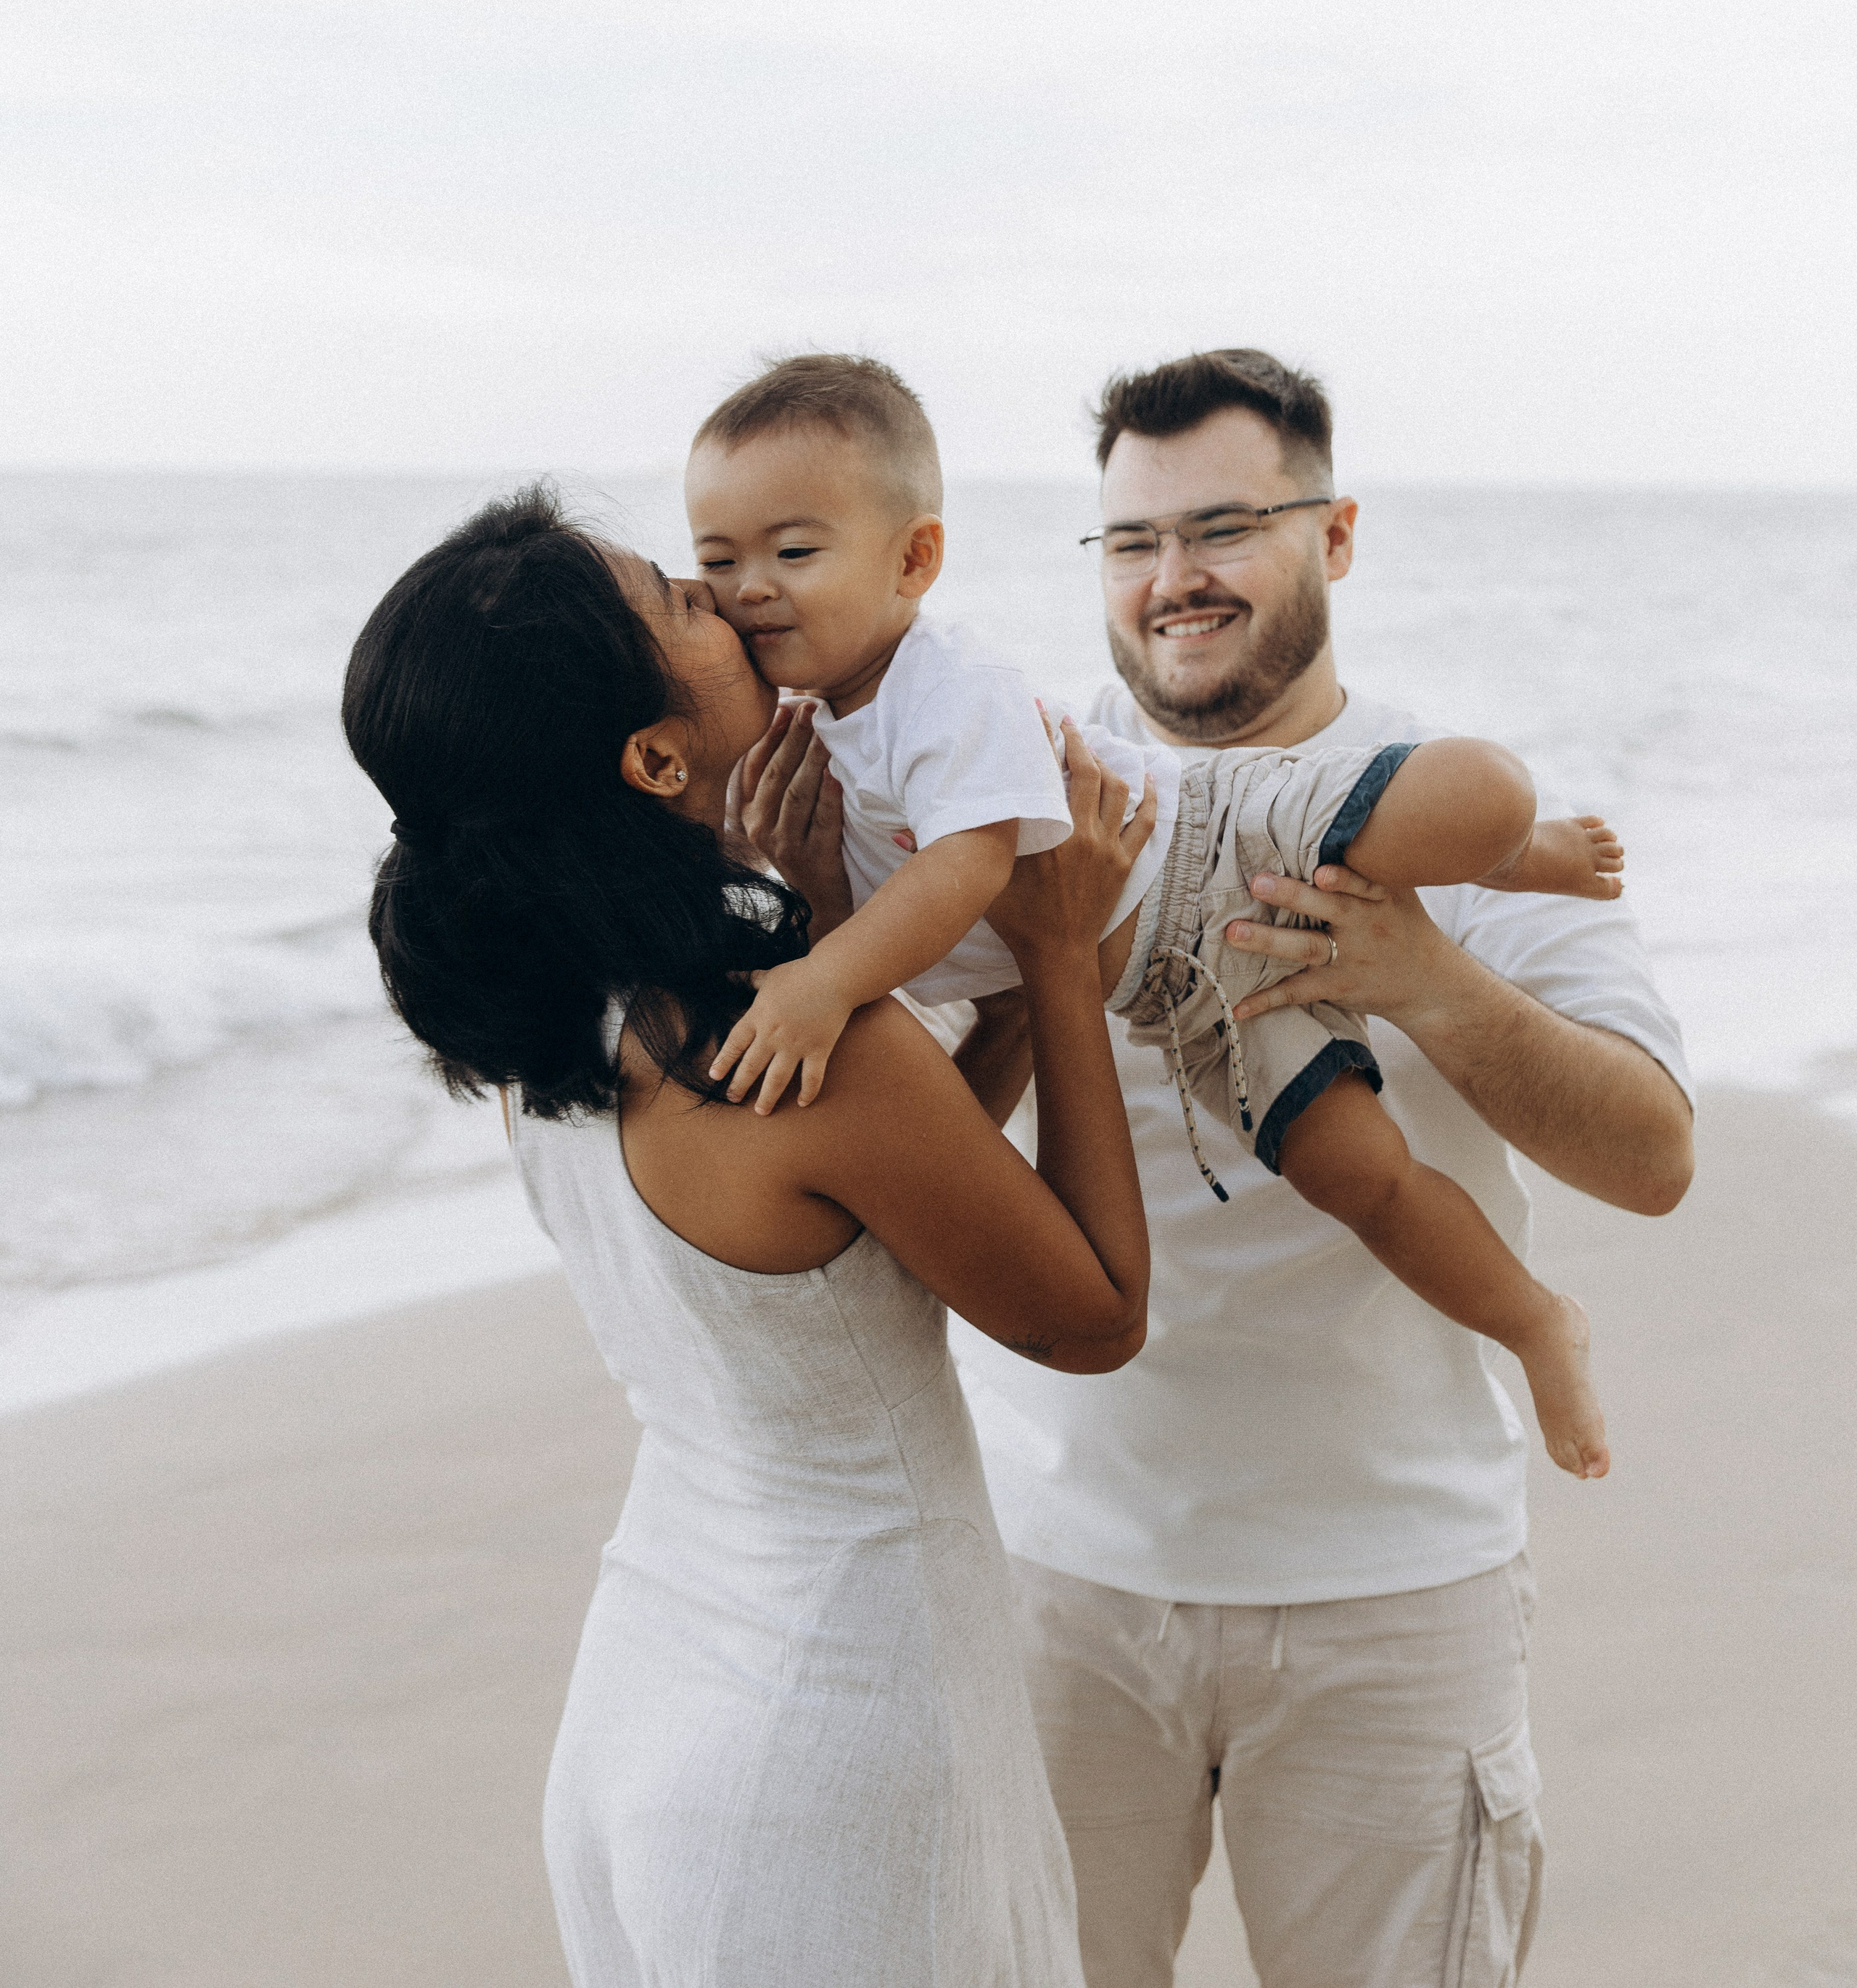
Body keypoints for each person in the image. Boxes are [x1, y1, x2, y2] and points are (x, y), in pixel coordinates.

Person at [739, 350, 1696, 1988]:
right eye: (1130, 543)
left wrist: (1422, 976)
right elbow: (927, 1168)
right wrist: (873, 919)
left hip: (1390, 1595)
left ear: (1332, 538)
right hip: (1062, 1581)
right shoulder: (1010, 781)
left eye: (1223, 528)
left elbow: (1653, 1155)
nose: (1171, 579)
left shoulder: (1425, 805)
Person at [339, 487, 1160, 1988]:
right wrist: (1053, 956)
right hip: (831, 1741)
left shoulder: (560, 1016)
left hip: (651, 1693)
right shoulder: (783, 1042)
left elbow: (889, 1208)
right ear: (652, 757)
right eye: (682, 596)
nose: (734, 599)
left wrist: (868, 938)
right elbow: (1091, 1311)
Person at [688, 353, 1624, 1477]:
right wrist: (804, 898)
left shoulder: (937, 685)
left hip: (1212, 834)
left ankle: (1530, 851)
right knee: (1357, 1172)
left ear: (914, 560)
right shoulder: (803, 742)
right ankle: (1533, 1321)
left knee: (1475, 794)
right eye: (713, 564)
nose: (751, 587)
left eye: (793, 553)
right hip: (1180, 989)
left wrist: (826, 977)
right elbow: (924, 1017)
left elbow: (974, 861)